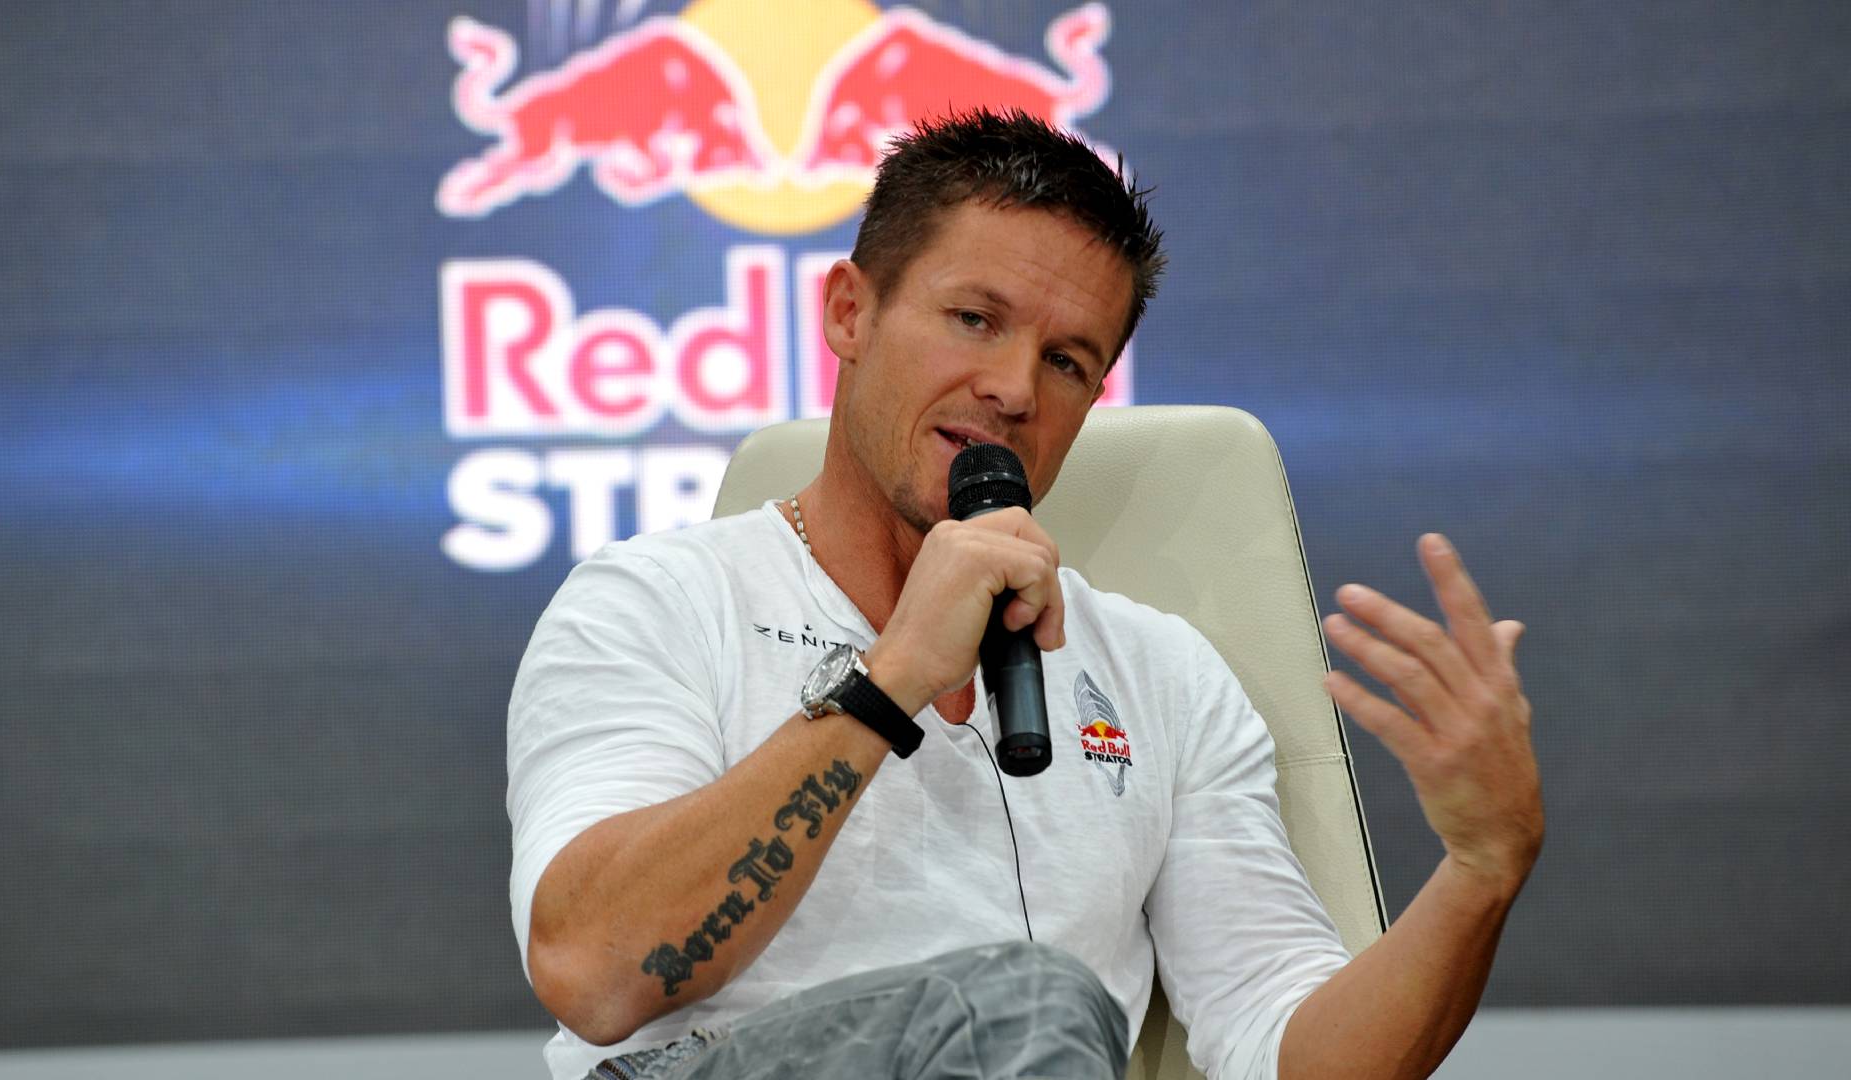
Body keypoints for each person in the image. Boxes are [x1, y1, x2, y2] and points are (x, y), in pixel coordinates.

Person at [506, 109, 1543, 1080]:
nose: (1013, 389)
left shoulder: (1162, 677)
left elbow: (1287, 1050)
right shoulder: (657, 601)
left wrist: (1481, 868)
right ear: (850, 312)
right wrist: (892, 676)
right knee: (1031, 1001)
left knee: (1033, 1008)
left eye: (1067, 362)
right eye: (974, 319)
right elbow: (593, 974)